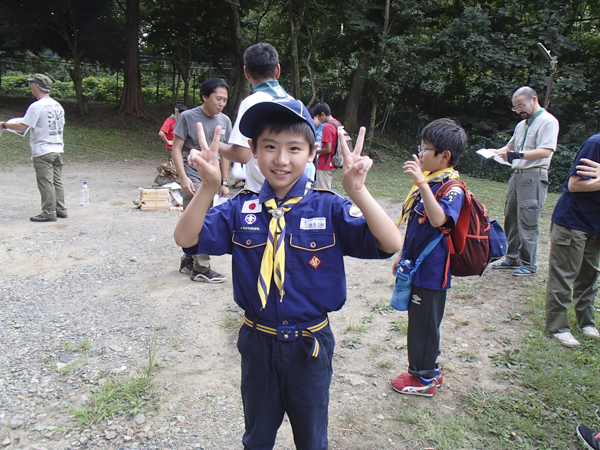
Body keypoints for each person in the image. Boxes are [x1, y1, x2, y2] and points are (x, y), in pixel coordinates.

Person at [174, 98, 402, 449]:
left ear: (312, 152)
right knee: (257, 436)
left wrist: (357, 190)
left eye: (294, 148)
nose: (281, 160)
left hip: (309, 345)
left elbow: (389, 243)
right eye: (269, 147)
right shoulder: (241, 209)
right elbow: (186, 239)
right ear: (252, 150)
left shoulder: (329, 207)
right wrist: (207, 186)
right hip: (258, 342)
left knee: (311, 439)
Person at [391, 118, 467, 397]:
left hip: (433, 274)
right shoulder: (431, 183)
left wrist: (423, 183)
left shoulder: (451, 188)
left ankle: (422, 379)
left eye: (425, 149)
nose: (420, 153)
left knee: (424, 325)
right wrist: (402, 255)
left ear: (444, 156)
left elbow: (438, 220)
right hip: (417, 266)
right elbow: (416, 228)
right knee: (421, 321)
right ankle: (428, 369)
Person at [489, 86, 559, 276]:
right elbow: (510, 145)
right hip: (517, 175)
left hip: (534, 175)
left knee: (528, 220)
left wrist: (516, 154)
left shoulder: (548, 122)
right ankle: (512, 258)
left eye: (521, 105)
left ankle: (529, 264)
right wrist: (496, 152)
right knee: (511, 216)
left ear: (534, 99)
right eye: (515, 107)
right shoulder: (522, 124)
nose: (519, 110)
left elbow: (546, 151)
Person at [172, 78, 232, 283]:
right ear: (205, 96)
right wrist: (183, 177)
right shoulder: (188, 117)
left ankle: (188, 259)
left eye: (224, 100)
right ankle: (202, 268)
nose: (221, 103)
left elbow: (225, 155)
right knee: (201, 221)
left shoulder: (224, 121)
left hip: (213, 179)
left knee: (201, 219)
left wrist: (224, 181)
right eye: (218, 98)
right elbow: (177, 149)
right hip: (194, 176)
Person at [544, 132, 600, 348]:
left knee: (589, 274)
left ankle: (587, 322)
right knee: (564, 275)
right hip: (573, 221)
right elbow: (575, 184)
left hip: (596, 223)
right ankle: (557, 327)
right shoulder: (595, 144)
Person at [218, 42, 292, 192]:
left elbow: (242, 154)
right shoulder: (294, 103)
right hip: (292, 190)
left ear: (246, 72)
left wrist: (213, 145)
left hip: (262, 192)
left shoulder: (252, 103)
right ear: (278, 69)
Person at [1, 74, 66, 222]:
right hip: (57, 148)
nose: (30, 86)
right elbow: (60, 125)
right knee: (57, 181)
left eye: (31, 84)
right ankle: (61, 209)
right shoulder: (58, 105)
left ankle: (48, 212)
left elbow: (23, 125)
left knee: (45, 181)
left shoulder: (36, 106)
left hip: (43, 150)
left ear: (37, 86)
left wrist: (4, 125)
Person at [312, 102, 340, 190]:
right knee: (326, 189)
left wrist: (314, 151)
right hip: (333, 162)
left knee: (322, 191)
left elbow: (328, 149)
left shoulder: (327, 127)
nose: (318, 119)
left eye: (318, 117)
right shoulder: (337, 123)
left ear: (322, 114)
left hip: (325, 163)